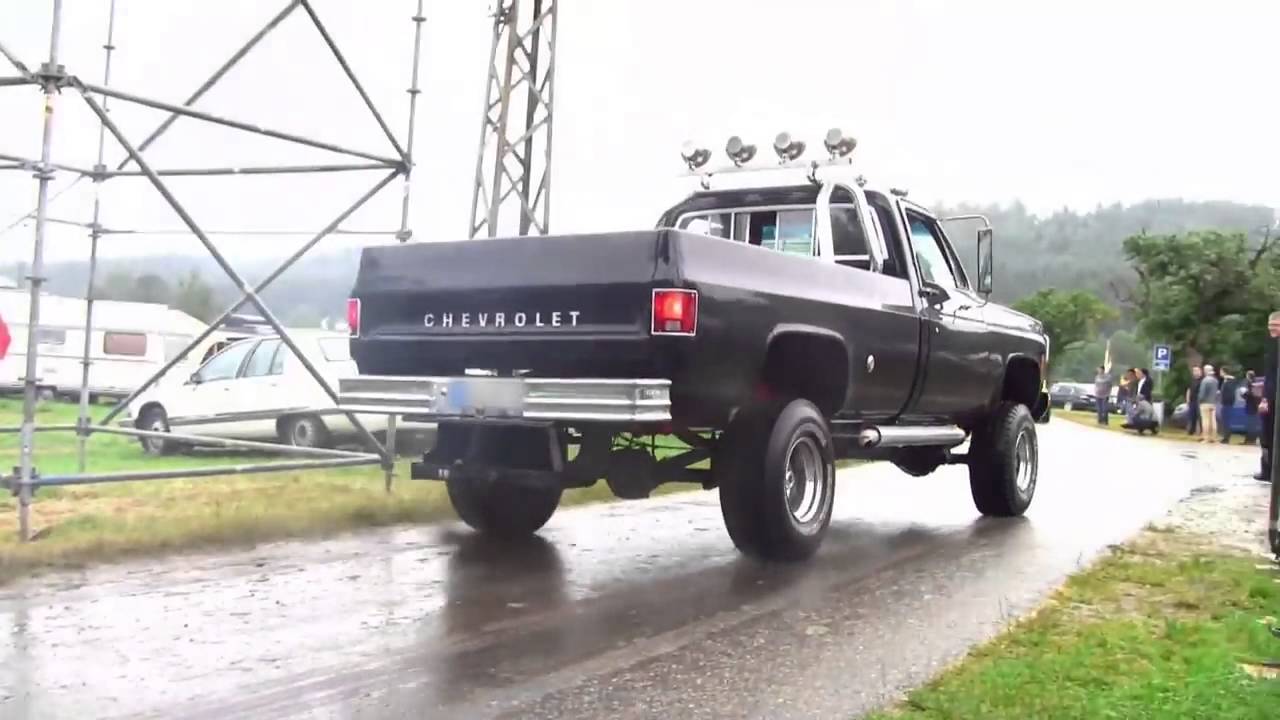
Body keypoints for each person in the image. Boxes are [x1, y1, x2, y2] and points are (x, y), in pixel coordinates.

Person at [1257, 312, 1280, 482]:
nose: (1272, 329)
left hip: (1275, 398)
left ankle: (1272, 472)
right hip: (1271, 397)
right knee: (1267, 436)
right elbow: (1269, 375)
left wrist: (1266, 398)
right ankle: (1268, 470)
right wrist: (1265, 398)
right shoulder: (1272, 345)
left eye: (1276, 325)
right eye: (1270, 325)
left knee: (1271, 436)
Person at [1198, 363, 1220, 443]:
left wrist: (1199, 400)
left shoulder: (1205, 380)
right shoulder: (1215, 380)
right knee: (1213, 421)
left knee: (1205, 421)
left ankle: (1206, 438)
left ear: (1206, 371)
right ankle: (1213, 437)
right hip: (1213, 403)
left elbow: (1202, 393)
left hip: (1205, 403)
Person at [1186, 365, 1204, 436]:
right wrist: (1187, 398)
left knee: (1200, 417)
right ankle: (1191, 430)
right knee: (1192, 416)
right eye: (1194, 371)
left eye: (1197, 370)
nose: (1195, 372)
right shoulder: (1192, 380)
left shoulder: (1202, 380)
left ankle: (1202, 431)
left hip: (1199, 401)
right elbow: (1189, 389)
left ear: (1200, 371)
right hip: (1192, 400)